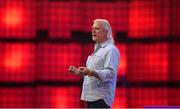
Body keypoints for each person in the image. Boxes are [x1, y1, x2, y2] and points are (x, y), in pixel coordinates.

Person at [68, 19, 120, 108]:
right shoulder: (97, 49)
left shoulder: (111, 50)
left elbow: (110, 73)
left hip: (101, 99)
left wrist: (90, 72)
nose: (93, 31)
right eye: (92, 28)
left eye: (97, 29)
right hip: (91, 97)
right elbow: (92, 73)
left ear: (106, 32)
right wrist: (79, 72)